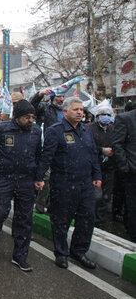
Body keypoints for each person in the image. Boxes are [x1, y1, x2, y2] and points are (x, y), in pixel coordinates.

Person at [35, 97, 101, 269]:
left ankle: (79, 251)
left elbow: (93, 155)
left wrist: (97, 175)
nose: (80, 112)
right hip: (63, 183)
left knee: (86, 219)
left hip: (85, 184)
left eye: (81, 110)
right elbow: (46, 156)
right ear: (65, 111)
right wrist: (40, 177)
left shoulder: (86, 131)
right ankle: (61, 253)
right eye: (76, 109)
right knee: (61, 220)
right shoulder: (55, 131)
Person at [0, 100, 42, 272]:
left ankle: (20, 256)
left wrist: (39, 176)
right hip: (3, 179)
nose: (30, 120)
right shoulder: (1, 129)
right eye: (26, 117)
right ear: (17, 117)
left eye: (32, 117)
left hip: (26, 180)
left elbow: (39, 155)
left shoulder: (36, 131)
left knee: (24, 218)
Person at [112, 105, 136, 242]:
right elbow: (117, 144)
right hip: (132, 171)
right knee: (132, 205)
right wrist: (126, 166)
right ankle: (132, 234)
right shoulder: (125, 118)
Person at [90, 103, 115, 226]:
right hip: (95, 167)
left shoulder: (113, 129)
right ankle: (93, 218)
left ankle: (101, 220)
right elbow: (89, 146)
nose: (105, 117)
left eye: (108, 115)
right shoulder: (90, 129)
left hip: (109, 167)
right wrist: (101, 150)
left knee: (106, 196)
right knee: (96, 196)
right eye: (103, 114)